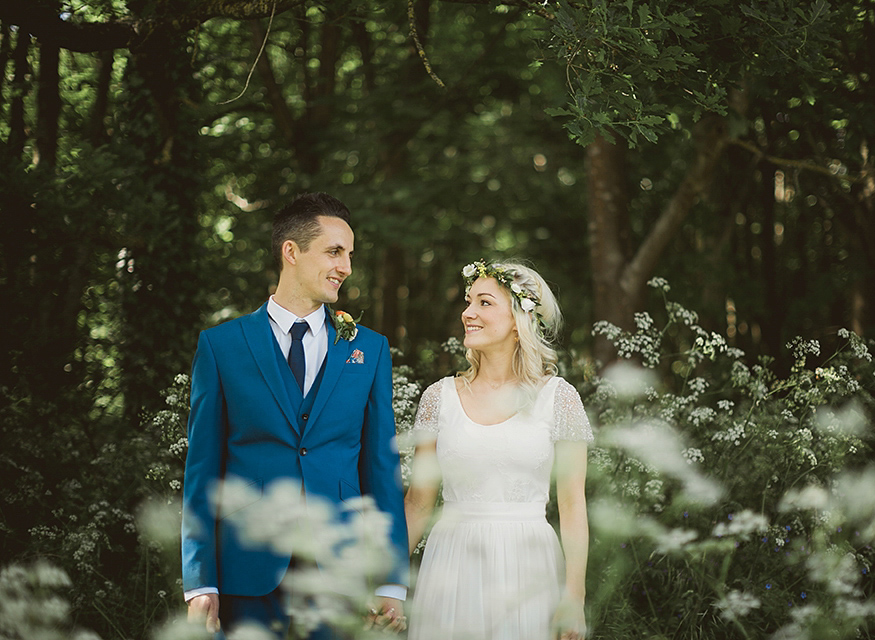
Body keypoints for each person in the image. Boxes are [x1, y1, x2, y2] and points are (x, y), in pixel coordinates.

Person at [181, 192, 409, 639]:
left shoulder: (369, 348)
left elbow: (382, 468)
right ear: (291, 252)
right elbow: (202, 470)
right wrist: (199, 581)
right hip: (246, 569)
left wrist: (390, 578)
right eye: (334, 252)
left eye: (349, 255)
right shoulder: (221, 346)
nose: (345, 266)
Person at [404, 260, 592, 640]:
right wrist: (385, 586)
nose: (467, 313)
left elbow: (572, 505)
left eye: (484, 303)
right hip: (450, 567)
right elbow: (418, 503)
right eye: (468, 301)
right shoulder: (438, 397)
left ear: (519, 317)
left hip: (530, 566)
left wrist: (574, 595)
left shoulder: (559, 398)